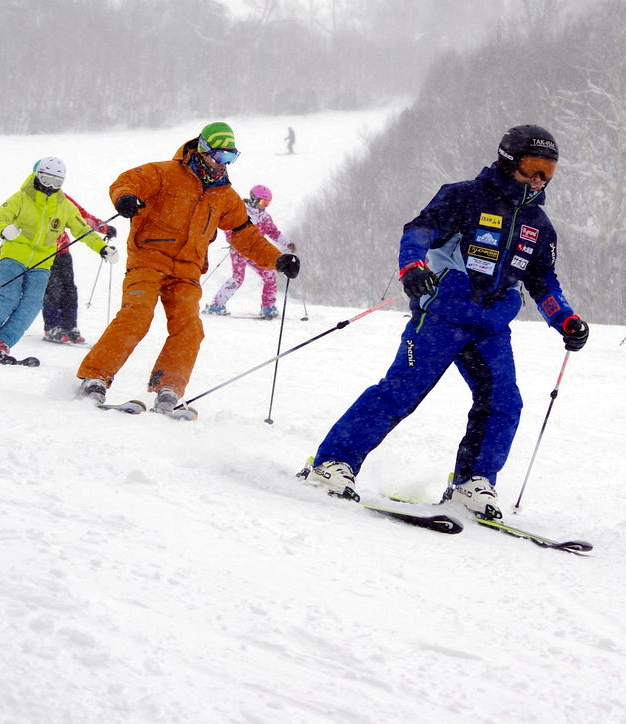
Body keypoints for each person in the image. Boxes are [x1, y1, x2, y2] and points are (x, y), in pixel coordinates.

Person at [299, 124, 589, 520]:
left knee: (503, 403)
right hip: (442, 315)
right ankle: (332, 464)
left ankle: (472, 483)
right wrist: (412, 268)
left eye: (548, 171)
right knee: (401, 391)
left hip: (490, 325)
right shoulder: (464, 196)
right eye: (532, 167)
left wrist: (566, 320)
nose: (539, 179)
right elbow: (419, 231)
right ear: (507, 161)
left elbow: (542, 281)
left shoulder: (539, 226)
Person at [75, 122, 301, 417]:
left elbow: (245, 234)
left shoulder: (224, 195)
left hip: (187, 270)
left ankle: (168, 388)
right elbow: (126, 181)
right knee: (136, 315)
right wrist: (125, 198)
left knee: (190, 328)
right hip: (149, 258)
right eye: (220, 156)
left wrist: (277, 259)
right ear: (204, 150)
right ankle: (94, 378)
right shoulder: (165, 173)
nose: (224, 164)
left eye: (231, 158)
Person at [0, 157, 117, 360]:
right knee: (8, 297)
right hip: (14, 256)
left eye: (56, 183)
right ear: (38, 176)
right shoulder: (21, 198)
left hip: (42, 263)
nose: (50, 186)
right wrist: (5, 229)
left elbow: (82, 229)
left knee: (33, 303)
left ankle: (3, 341)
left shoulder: (64, 206)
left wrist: (102, 248)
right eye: (47, 180)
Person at [206, 184, 296, 319]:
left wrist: (287, 242)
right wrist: (233, 241)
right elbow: (230, 227)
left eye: (267, 203)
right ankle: (217, 304)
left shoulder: (265, 217)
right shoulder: (241, 211)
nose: (264, 206)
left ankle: (268, 307)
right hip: (239, 251)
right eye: (262, 202)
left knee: (269, 276)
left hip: (256, 251)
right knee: (238, 278)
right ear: (253, 198)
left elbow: (273, 232)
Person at [42, 190, 115, 343]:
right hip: (42, 253)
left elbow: (81, 216)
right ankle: (52, 326)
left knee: (69, 288)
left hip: (62, 251)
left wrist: (104, 228)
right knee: (52, 288)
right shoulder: (30, 199)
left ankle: (70, 327)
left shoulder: (62, 199)